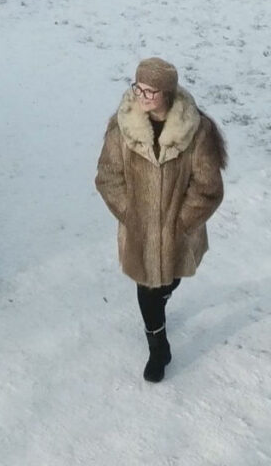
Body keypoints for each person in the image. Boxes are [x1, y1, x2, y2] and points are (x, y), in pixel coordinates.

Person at [96, 57, 227, 383]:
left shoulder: (196, 131)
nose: (142, 96)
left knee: (168, 281)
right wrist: (131, 215)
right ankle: (158, 347)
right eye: (138, 88)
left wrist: (180, 224)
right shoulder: (123, 126)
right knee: (148, 291)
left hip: (179, 233)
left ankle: (165, 295)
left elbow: (208, 188)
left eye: (150, 91)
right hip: (138, 233)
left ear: (167, 93)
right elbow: (108, 177)